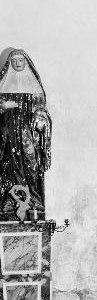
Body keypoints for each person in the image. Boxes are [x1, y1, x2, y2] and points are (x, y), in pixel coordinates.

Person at [0, 48, 51, 217]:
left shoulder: (34, 86)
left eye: (20, 60)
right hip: (8, 134)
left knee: (31, 163)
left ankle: (33, 198)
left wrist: (40, 119)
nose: (17, 64)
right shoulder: (2, 85)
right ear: (9, 64)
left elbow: (40, 108)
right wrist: (3, 106)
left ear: (26, 63)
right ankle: (11, 199)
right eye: (14, 61)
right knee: (9, 164)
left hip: (28, 134)